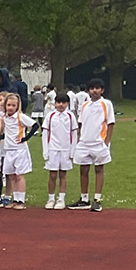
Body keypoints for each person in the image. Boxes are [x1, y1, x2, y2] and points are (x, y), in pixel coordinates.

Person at [69, 77, 115, 211]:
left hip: (99, 142)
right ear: (89, 90)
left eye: (97, 88)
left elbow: (110, 123)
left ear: (102, 90)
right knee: (83, 170)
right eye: (92, 88)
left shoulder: (106, 104)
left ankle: (97, 199)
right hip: (84, 142)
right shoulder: (85, 105)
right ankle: (84, 199)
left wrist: (106, 142)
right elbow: (81, 123)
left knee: (99, 169)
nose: (94, 91)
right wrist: (78, 139)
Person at [1, 93, 37, 210]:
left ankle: (21, 200)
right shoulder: (4, 117)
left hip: (19, 150)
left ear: (17, 106)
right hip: (8, 150)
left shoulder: (20, 117)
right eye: (9, 105)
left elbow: (35, 125)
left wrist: (25, 138)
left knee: (19, 175)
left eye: (13, 105)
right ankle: (15, 199)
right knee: (10, 176)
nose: (10, 107)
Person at [42, 92, 77, 210]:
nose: (61, 105)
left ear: (67, 104)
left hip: (66, 149)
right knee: (52, 175)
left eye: (64, 103)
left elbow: (74, 134)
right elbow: (45, 134)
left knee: (63, 174)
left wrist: (72, 151)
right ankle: (50, 198)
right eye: (58, 102)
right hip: (53, 149)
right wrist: (45, 151)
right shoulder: (50, 116)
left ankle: (61, 199)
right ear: (55, 103)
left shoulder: (71, 116)